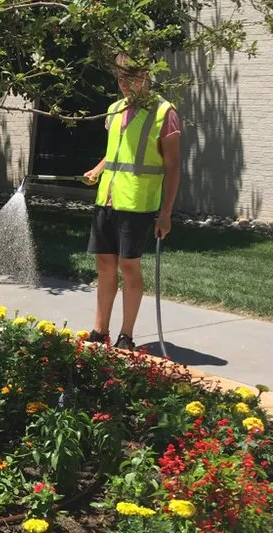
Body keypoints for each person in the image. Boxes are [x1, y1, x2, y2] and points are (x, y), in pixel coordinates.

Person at [82, 52, 181, 350]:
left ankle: (126, 335)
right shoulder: (114, 110)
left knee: (128, 266)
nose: (125, 84)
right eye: (120, 77)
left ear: (147, 75)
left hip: (138, 203)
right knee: (104, 265)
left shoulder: (164, 112)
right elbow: (116, 153)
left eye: (132, 77)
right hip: (107, 199)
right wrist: (98, 171)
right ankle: (100, 332)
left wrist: (166, 213)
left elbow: (173, 165)